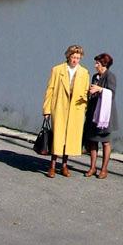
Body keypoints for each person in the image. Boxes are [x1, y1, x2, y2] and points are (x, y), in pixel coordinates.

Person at [42, 44, 90, 178]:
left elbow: (85, 93)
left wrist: (84, 108)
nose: (75, 60)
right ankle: (52, 165)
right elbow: (50, 90)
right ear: (68, 57)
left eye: (78, 58)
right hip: (59, 107)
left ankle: (64, 165)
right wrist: (47, 109)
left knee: (70, 139)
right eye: (73, 57)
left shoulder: (84, 73)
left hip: (75, 111)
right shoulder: (57, 70)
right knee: (58, 137)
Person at [83, 53, 118, 179]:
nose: (95, 65)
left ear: (104, 64)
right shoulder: (95, 76)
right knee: (92, 142)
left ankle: (104, 169)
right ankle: (92, 167)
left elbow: (112, 93)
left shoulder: (110, 76)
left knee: (105, 142)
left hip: (105, 115)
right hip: (94, 113)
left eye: (97, 63)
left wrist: (100, 89)